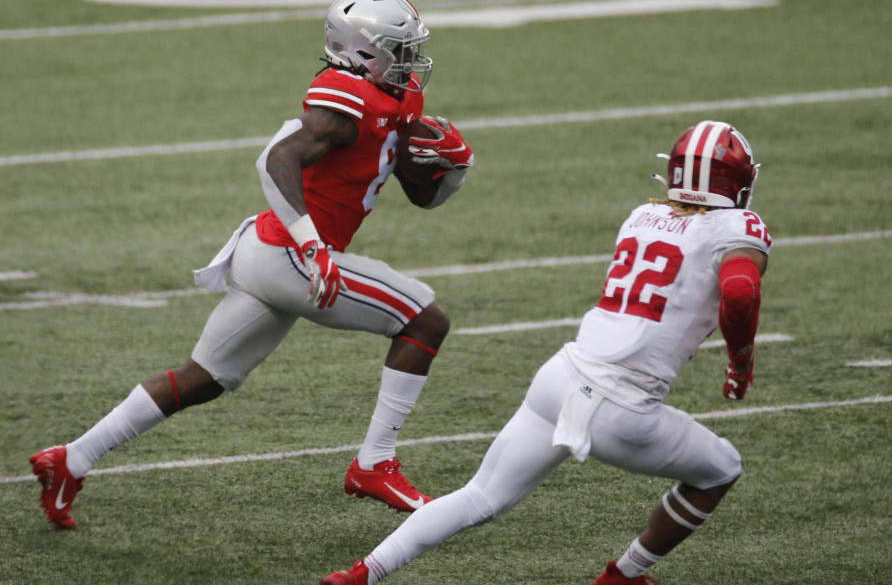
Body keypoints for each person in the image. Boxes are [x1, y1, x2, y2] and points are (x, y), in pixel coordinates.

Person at [29, 0, 476, 530]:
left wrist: (451, 170)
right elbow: (276, 161)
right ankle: (374, 463)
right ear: (362, 51)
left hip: (269, 253)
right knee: (424, 319)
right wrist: (313, 246)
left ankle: (70, 459)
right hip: (291, 254)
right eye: (398, 50)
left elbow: (419, 190)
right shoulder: (344, 94)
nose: (410, 62)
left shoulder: (393, 99)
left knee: (203, 378)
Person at [321, 119, 772, 585]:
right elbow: (739, 293)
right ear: (738, 182)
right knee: (721, 469)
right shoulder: (739, 226)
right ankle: (625, 576)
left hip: (560, 377)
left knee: (478, 496)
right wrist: (741, 363)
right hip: (622, 406)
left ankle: (362, 574)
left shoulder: (644, 215)